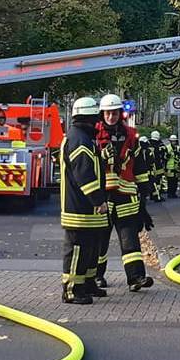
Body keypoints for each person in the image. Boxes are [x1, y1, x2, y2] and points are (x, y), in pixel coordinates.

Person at [93, 93, 155, 292]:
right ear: (102, 114)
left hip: (127, 196)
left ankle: (136, 278)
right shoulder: (94, 135)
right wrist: (101, 157)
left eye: (115, 113)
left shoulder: (131, 135)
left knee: (130, 239)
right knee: (100, 241)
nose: (111, 116)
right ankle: (96, 277)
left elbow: (140, 167)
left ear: (121, 114)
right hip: (102, 198)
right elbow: (87, 165)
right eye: (108, 113)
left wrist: (144, 201)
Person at [59, 97, 106, 305]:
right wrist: (98, 200)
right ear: (88, 117)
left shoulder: (83, 137)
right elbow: (84, 174)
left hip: (87, 209)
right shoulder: (79, 139)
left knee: (91, 247)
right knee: (78, 248)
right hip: (79, 208)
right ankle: (71, 290)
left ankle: (87, 283)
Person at [148, 131, 167, 202]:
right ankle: (157, 196)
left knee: (152, 181)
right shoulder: (159, 145)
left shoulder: (148, 144)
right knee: (157, 182)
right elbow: (164, 151)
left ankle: (152, 195)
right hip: (158, 166)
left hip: (150, 167)